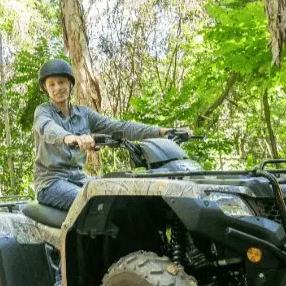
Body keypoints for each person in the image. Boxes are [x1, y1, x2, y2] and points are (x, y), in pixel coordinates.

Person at [33, 58, 191, 212]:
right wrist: (70, 138)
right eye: (51, 84)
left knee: (120, 192)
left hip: (78, 178)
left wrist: (162, 131)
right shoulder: (43, 111)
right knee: (93, 203)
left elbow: (119, 126)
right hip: (51, 182)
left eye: (61, 82)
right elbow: (47, 128)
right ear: (46, 89)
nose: (57, 88)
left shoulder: (85, 114)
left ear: (70, 84)